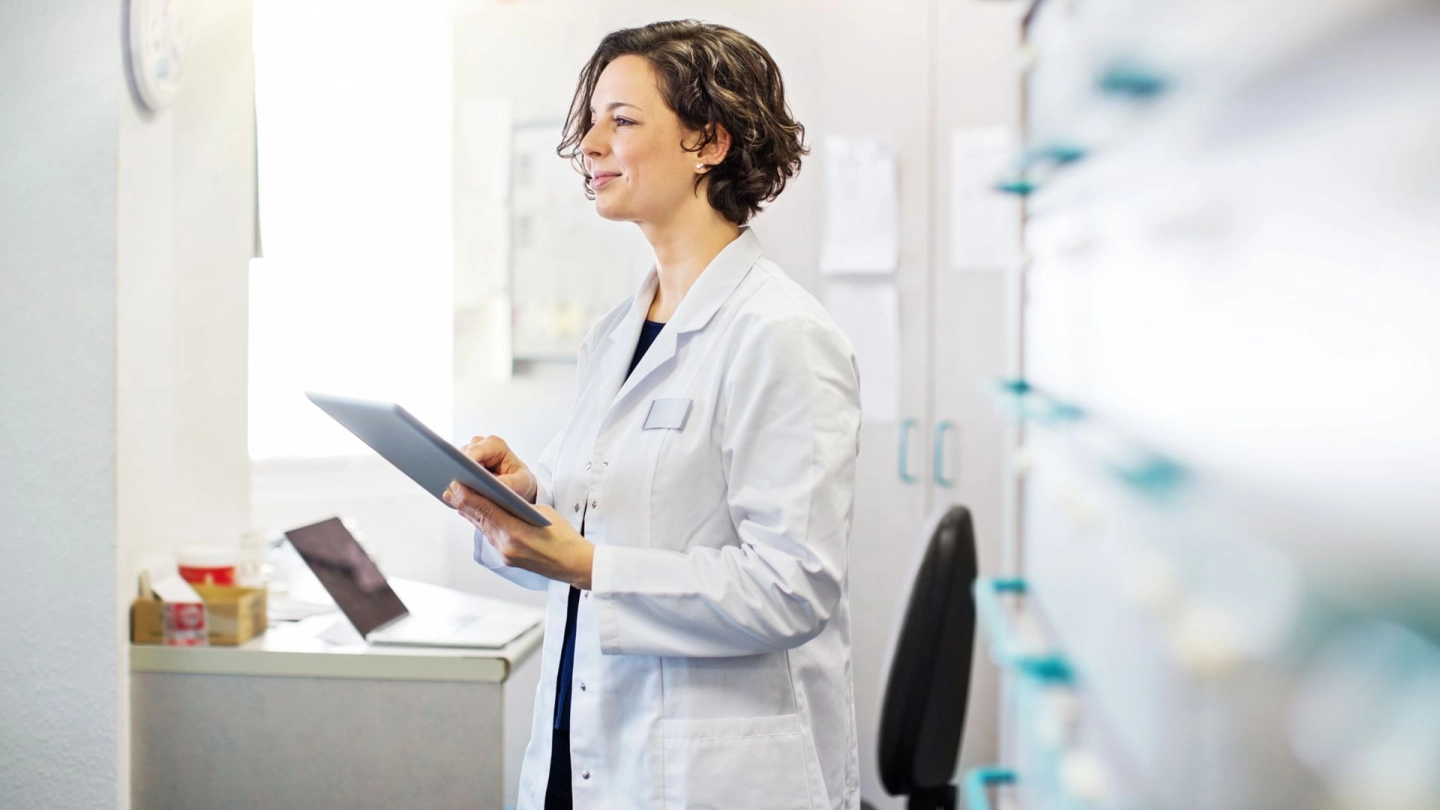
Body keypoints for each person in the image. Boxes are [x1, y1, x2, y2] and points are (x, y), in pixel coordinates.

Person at [443, 19, 862, 810]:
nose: (588, 144)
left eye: (622, 120)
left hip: (714, 776)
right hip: (588, 751)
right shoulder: (616, 333)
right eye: (594, 119)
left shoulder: (780, 334)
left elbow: (794, 588)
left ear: (709, 142)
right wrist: (526, 502)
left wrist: (586, 563)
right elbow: (613, 522)